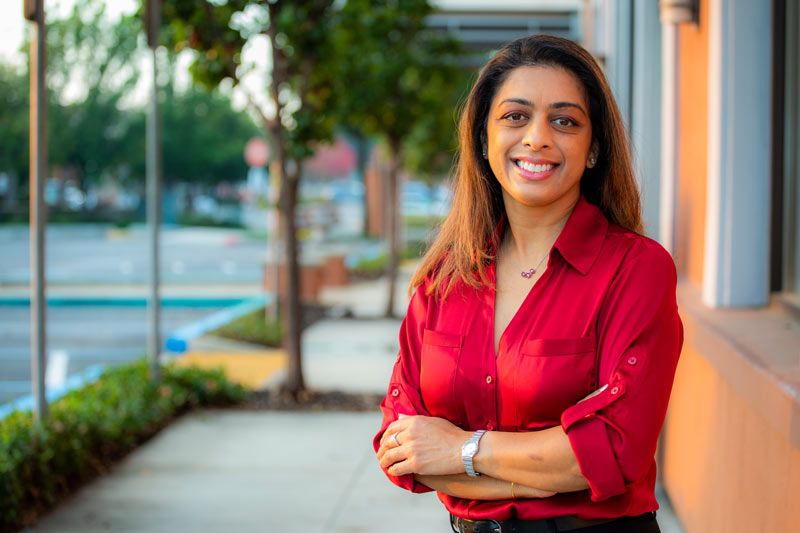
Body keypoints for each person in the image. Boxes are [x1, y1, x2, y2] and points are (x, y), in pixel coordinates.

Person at [374, 34, 683, 533]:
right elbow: (399, 447)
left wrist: (460, 451)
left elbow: (613, 451)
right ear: (483, 138)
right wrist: (535, 475)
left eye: (564, 121)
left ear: (594, 148)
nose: (537, 137)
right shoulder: (444, 278)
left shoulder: (636, 269)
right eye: (515, 116)